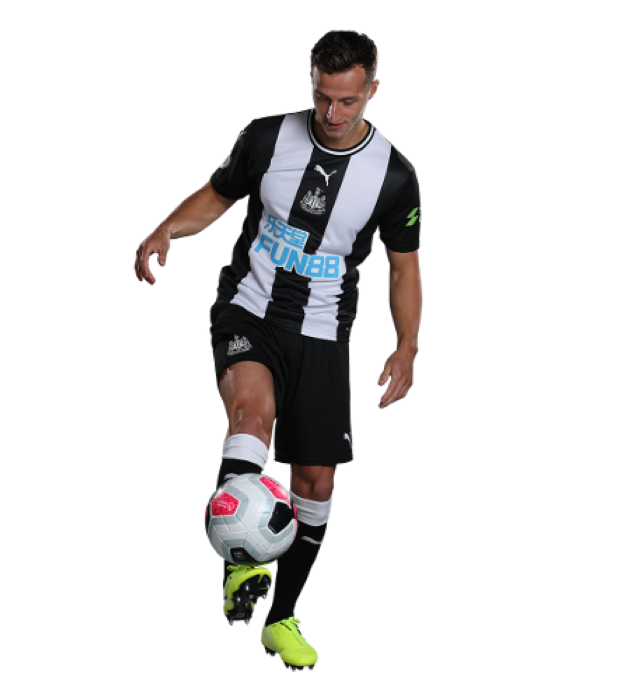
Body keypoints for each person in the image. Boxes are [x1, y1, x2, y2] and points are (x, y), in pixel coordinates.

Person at [133, 29, 422, 672]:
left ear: (373, 91)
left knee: (316, 483)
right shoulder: (267, 136)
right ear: (311, 83)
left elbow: (404, 269)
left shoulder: (395, 177)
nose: (332, 113)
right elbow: (219, 193)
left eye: (347, 101)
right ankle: (241, 564)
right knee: (251, 416)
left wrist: (407, 346)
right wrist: (166, 229)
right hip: (249, 310)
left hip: (324, 333)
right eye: (322, 97)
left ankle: (280, 617)